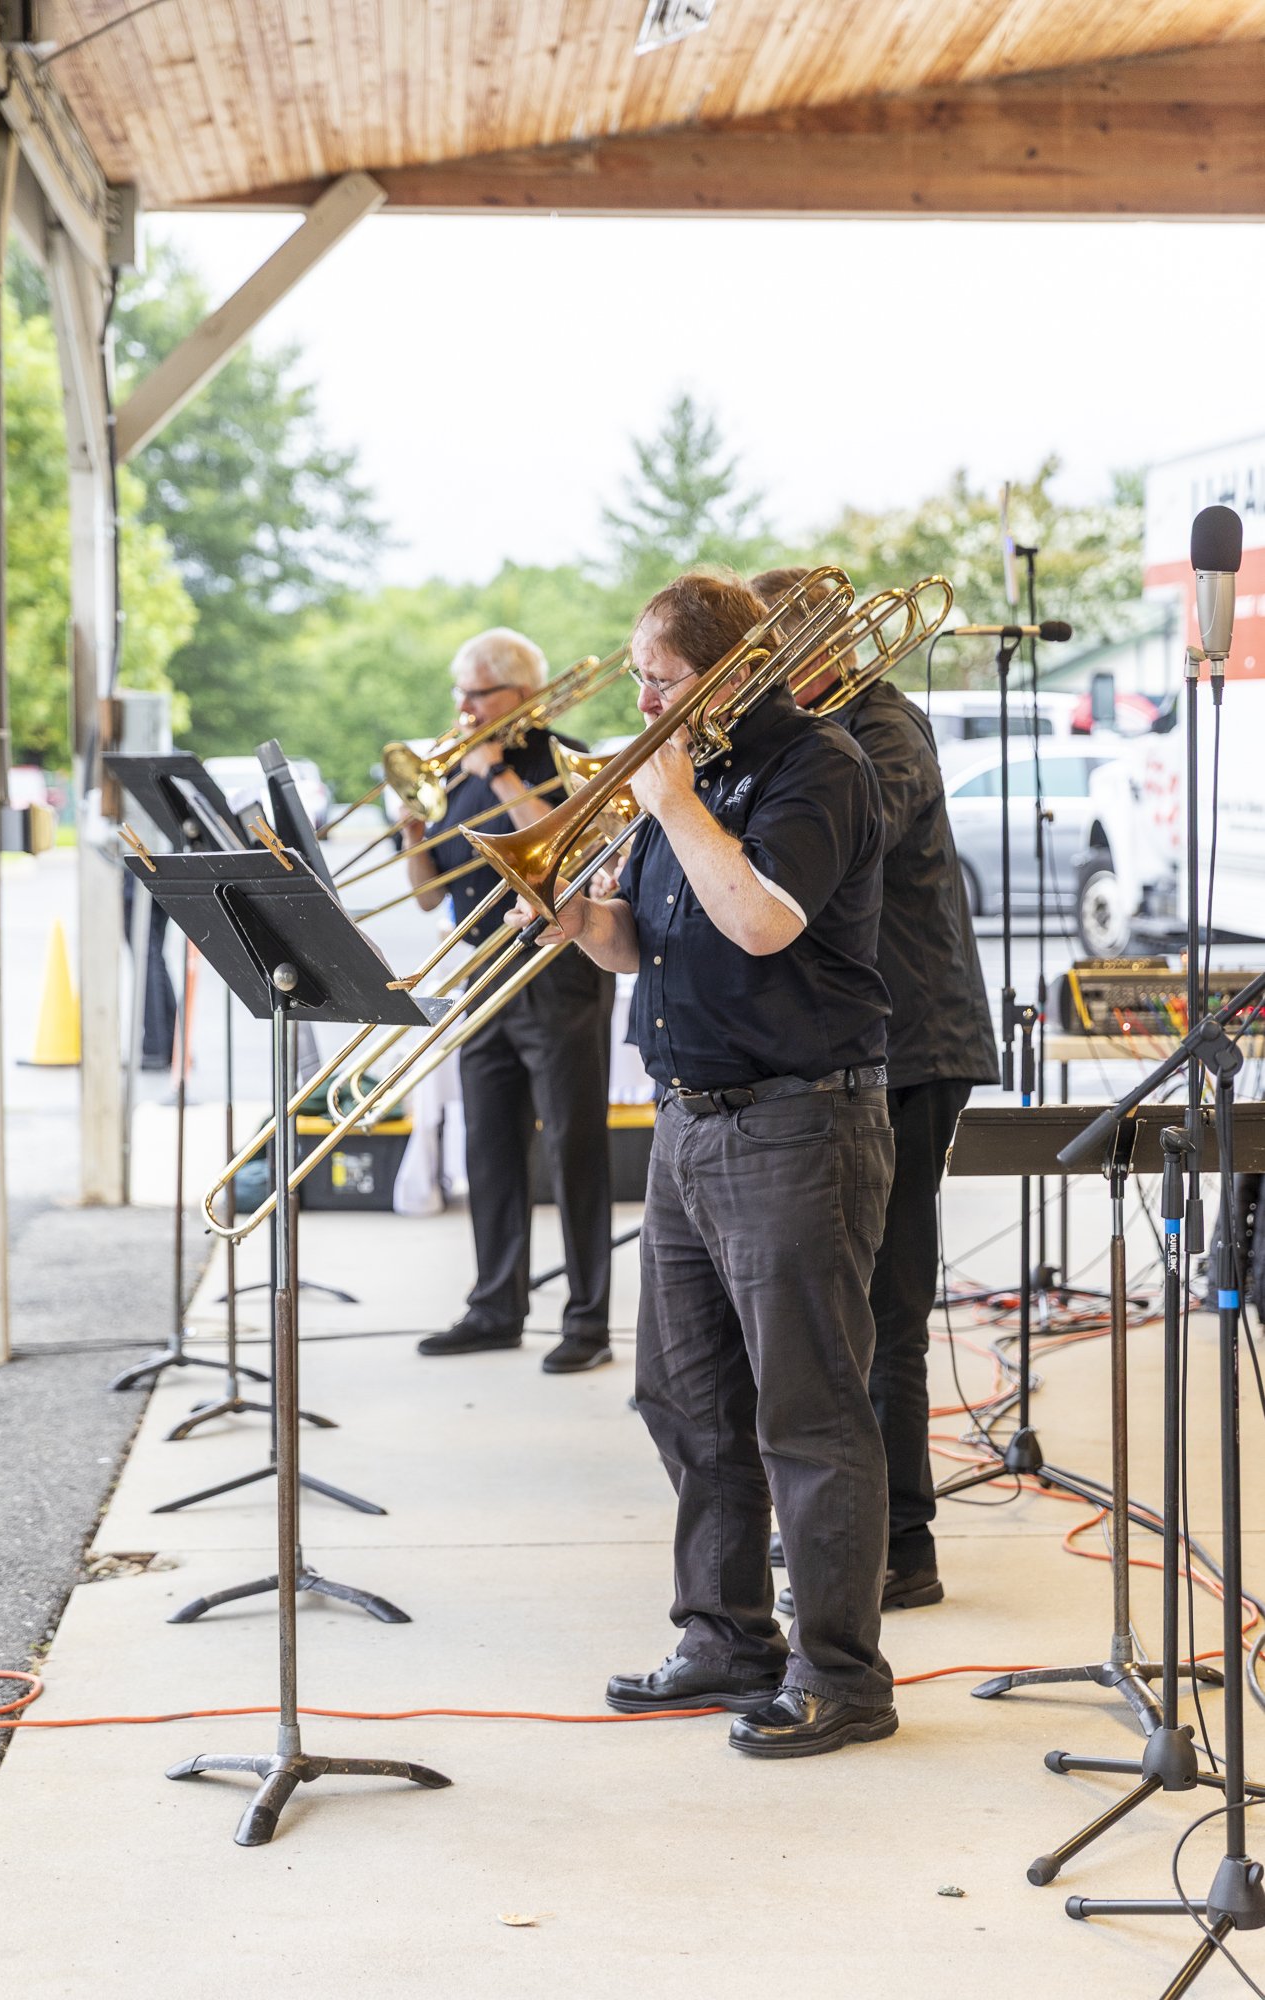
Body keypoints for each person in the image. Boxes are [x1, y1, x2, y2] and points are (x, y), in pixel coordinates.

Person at [513, 572, 898, 1758]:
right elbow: (653, 944)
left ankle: (842, 1672)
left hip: (798, 1122)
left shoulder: (815, 766)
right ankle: (727, 1637)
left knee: (808, 1409)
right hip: (689, 1121)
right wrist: (581, 920)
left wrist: (673, 801)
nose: (639, 698)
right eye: (635, 674)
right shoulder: (692, 778)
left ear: (729, 674)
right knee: (681, 1393)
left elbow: (763, 919)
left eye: (660, 678)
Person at [752, 568, 998, 1613]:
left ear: (819, 653)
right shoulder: (820, 732)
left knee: (886, 1308)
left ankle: (902, 1544)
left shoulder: (883, 730)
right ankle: (855, 1522)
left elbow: (848, 837)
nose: (748, 685)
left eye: (759, 659)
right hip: (856, 1047)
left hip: (913, 1045)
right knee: (842, 1307)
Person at [404, 628, 615, 1374]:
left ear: (519, 697)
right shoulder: (456, 770)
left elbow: (564, 848)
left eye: (476, 694)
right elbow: (430, 888)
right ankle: (496, 1306)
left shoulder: (560, 758)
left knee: (573, 1146)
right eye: (459, 693)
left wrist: (495, 775)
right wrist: (410, 823)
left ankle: (587, 1320)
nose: (461, 707)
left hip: (556, 965)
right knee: (487, 1144)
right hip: (480, 968)